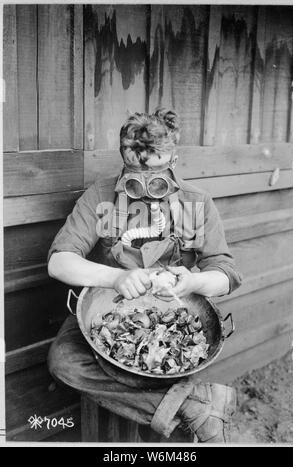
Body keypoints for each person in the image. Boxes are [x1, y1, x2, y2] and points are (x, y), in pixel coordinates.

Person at [47, 108, 242, 443]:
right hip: (109, 310)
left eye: (155, 170)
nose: (146, 185)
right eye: (133, 169)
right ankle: (195, 407)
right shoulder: (100, 195)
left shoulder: (198, 202)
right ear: (123, 156)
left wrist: (193, 282)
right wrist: (115, 278)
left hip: (172, 315)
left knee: (168, 372)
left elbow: (226, 274)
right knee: (63, 362)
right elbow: (58, 262)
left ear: (174, 158)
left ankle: (180, 414)